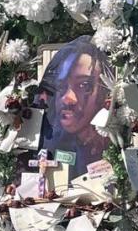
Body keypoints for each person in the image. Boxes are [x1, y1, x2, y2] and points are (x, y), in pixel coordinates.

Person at [34, 36, 112, 176]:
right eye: (61, 86)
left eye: (84, 86)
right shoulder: (48, 150)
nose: (68, 99)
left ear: (103, 92)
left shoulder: (109, 150)